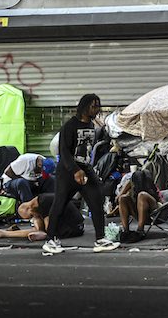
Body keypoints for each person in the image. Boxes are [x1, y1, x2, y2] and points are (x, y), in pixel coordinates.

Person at [42, 94, 119, 254]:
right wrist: (75, 170)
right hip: (68, 170)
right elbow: (64, 151)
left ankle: (100, 239)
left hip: (85, 168)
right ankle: (50, 240)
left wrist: (85, 170)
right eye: (93, 106)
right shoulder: (70, 126)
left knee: (97, 198)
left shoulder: (91, 124)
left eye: (97, 106)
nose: (96, 109)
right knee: (60, 203)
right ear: (84, 107)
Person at [0, 193, 84, 242]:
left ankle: (2, 233)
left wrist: (40, 230)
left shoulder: (43, 203)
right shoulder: (40, 202)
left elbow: (49, 228)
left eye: (31, 216)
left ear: (29, 209)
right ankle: (2, 233)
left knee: (37, 230)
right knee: (36, 227)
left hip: (73, 227)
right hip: (76, 225)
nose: (33, 218)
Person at [117, 169, 161, 243]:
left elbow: (160, 202)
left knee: (142, 195)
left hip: (154, 213)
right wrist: (121, 194)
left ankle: (140, 230)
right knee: (123, 198)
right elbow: (119, 198)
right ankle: (126, 231)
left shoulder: (151, 189)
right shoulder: (134, 190)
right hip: (137, 211)